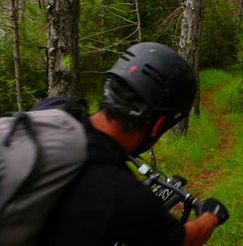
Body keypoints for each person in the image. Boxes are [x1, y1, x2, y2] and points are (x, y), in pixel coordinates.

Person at [36, 42, 229, 246]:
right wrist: (212, 215)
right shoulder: (123, 194)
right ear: (158, 125)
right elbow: (188, 239)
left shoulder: (54, 109)